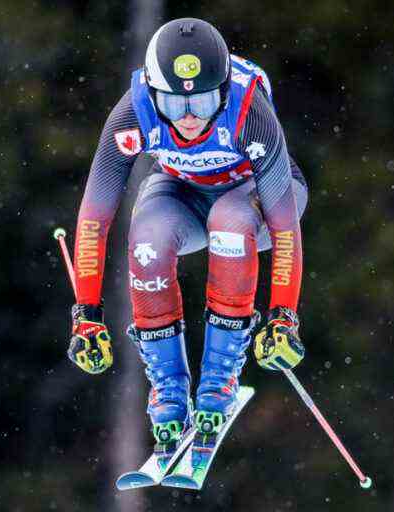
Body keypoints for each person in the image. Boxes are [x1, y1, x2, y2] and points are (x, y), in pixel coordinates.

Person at [67, 18, 307, 457]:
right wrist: (86, 313)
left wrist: (283, 315)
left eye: (204, 100)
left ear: (224, 89)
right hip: (184, 193)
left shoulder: (251, 114)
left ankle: (220, 381)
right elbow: (94, 218)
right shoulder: (131, 114)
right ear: (155, 95)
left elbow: (285, 229)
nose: (191, 116)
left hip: (259, 197)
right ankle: (169, 392)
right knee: (147, 240)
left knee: (230, 222)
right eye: (176, 106)